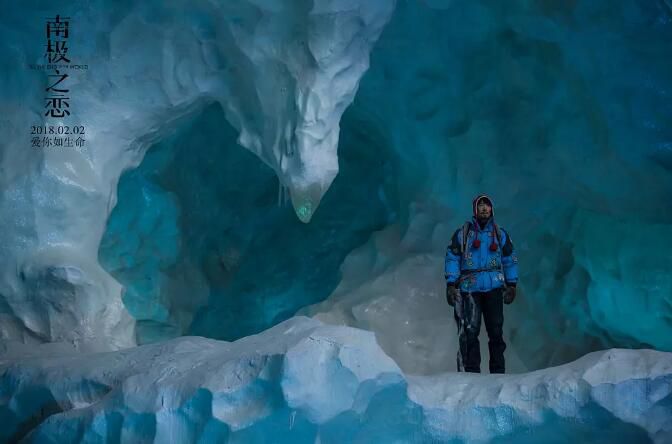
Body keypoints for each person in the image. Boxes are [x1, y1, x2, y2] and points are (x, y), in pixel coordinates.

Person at [444, 194, 518, 373]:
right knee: (470, 332)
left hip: (494, 288)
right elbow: (452, 257)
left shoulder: (500, 234)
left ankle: (498, 373)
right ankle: (472, 373)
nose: (484, 209)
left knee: (496, 332)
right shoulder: (463, 234)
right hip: (470, 289)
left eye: (487, 206)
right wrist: (451, 283)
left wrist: (512, 284)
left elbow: (509, 259)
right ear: (474, 210)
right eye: (480, 206)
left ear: (492, 209)